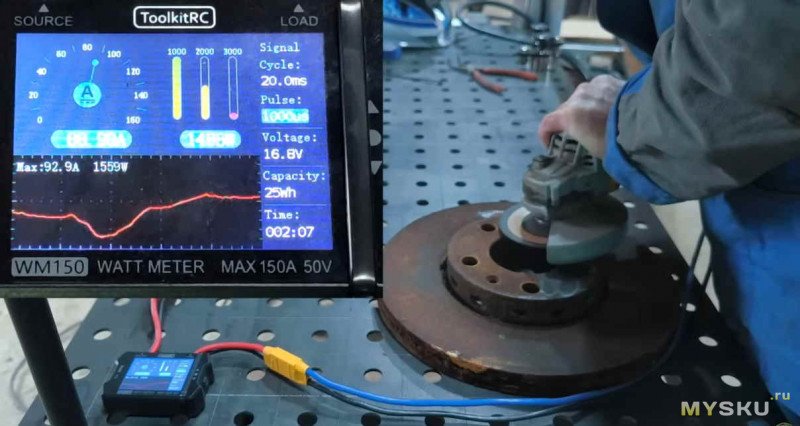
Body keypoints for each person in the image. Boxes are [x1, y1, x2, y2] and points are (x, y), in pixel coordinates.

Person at [538, 0, 800, 422]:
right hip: (767, 216)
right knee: (758, 380)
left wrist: (630, 126)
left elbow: (764, 48)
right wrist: (647, 97)